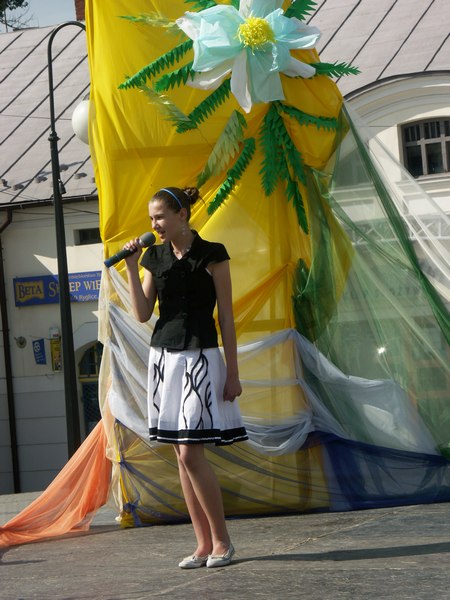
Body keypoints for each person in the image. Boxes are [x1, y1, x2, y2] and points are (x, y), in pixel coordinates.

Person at [123, 186, 248, 569]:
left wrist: (233, 373)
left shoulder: (213, 254)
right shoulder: (154, 257)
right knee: (181, 454)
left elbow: (226, 316)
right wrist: (131, 267)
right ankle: (202, 544)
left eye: (160, 216)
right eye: (151, 219)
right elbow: (142, 313)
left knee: (191, 452)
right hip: (164, 358)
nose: (154, 224)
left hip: (200, 355)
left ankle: (223, 542)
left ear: (182, 215)